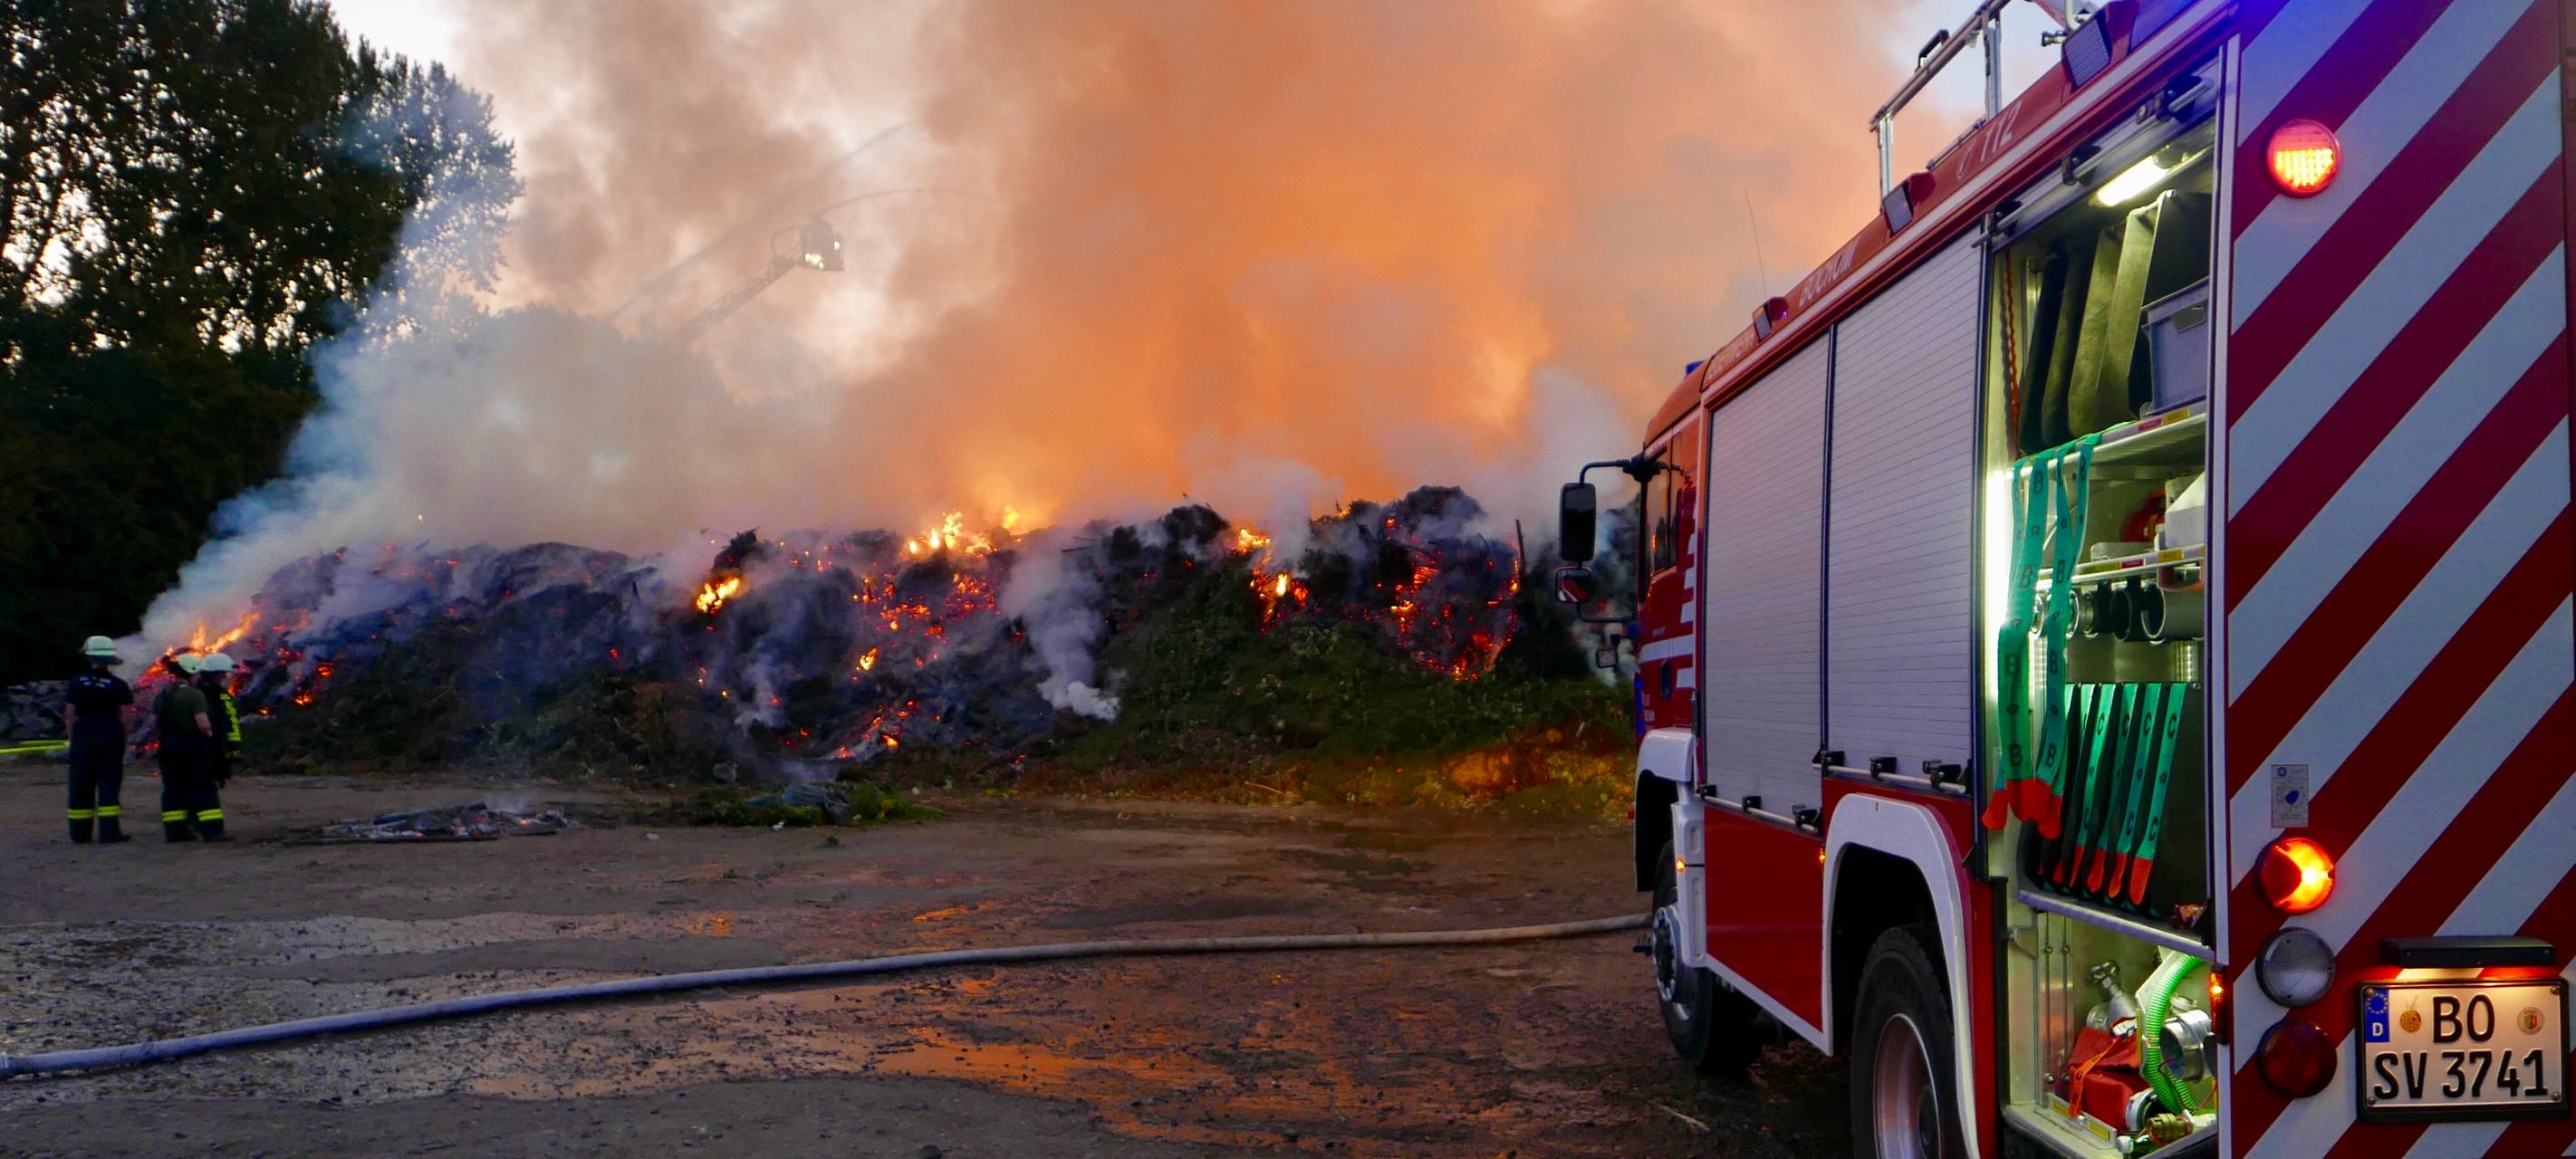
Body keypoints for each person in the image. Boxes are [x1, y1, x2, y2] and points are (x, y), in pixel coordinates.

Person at [61, 636, 135, 844]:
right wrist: (125, 741)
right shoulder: (118, 684)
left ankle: (80, 833)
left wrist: (72, 737)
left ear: (89, 657)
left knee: (80, 783)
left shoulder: (77, 683)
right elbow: (125, 717)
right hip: (111, 735)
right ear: (110, 659)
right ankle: (109, 833)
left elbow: (70, 714)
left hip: (83, 735)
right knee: (109, 784)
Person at [151, 654, 226, 842]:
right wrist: (210, 735)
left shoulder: (163, 693)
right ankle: (212, 831)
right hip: (192, 746)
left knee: (173, 789)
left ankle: (176, 832)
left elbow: (152, 722)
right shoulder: (194, 694)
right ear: (191, 672)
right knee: (203, 787)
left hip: (168, 746)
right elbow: (203, 723)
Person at [195, 652, 244, 790]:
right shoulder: (194, 694)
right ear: (211, 673)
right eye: (222, 673)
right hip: (199, 747)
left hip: (219, 747)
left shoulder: (223, 694)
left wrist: (234, 746)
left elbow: (232, 720)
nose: (225, 676)